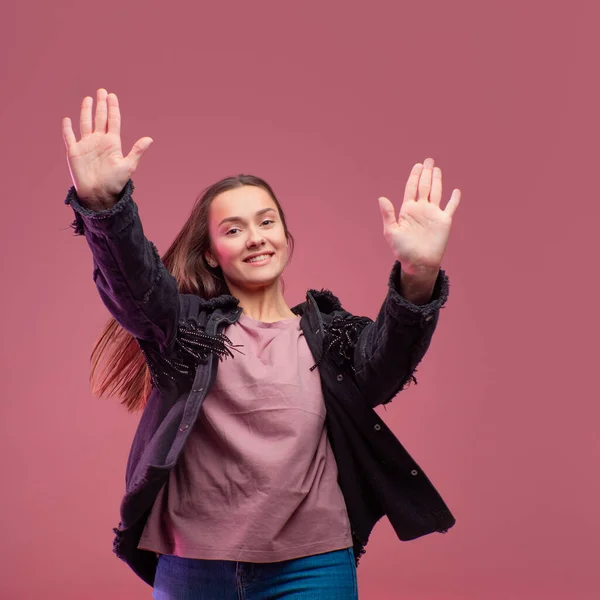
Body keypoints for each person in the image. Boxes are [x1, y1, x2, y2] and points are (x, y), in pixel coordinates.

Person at [61, 88, 461, 599]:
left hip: (313, 566)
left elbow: (387, 364)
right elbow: (136, 285)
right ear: (211, 254)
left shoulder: (331, 337)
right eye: (234, 229)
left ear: (286, 239)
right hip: (193, 566)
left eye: (266, 222)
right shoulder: (184, 331)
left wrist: (419, 274)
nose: (255, 237)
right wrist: (104, 208)